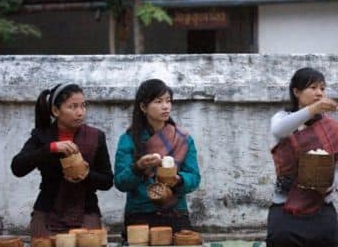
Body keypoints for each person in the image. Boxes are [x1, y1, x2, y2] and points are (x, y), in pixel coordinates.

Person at [266, 67, 338, 247]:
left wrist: (327, 186)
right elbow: (279, 131)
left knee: (328, 243)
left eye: (322, 88)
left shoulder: (330, 127)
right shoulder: (283, 118)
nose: (319, 93)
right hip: (287, 202)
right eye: (312, 87)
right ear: (296, 92)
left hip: (320, 202)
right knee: (280, 243)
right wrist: (311, 110)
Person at [11, 83, 113, 237]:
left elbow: (107, 181)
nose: (80, 113)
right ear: (56, 110)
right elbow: (17, 168)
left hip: (86, 211)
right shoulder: (42, 136)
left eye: (83, 106)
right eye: (72, 107)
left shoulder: (96, 136)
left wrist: (87, 174)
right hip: (47, 211)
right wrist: (50, 148)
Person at [114, 79, 200, 234]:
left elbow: (194, 178)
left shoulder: (183, 139)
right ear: (143, 107)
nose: (165, 106)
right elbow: (121, 182)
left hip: (175, 212)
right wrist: (138, 167)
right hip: (140, 213)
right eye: (158, 101)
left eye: (168, 101)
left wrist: (178, 180)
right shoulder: (128, 139)